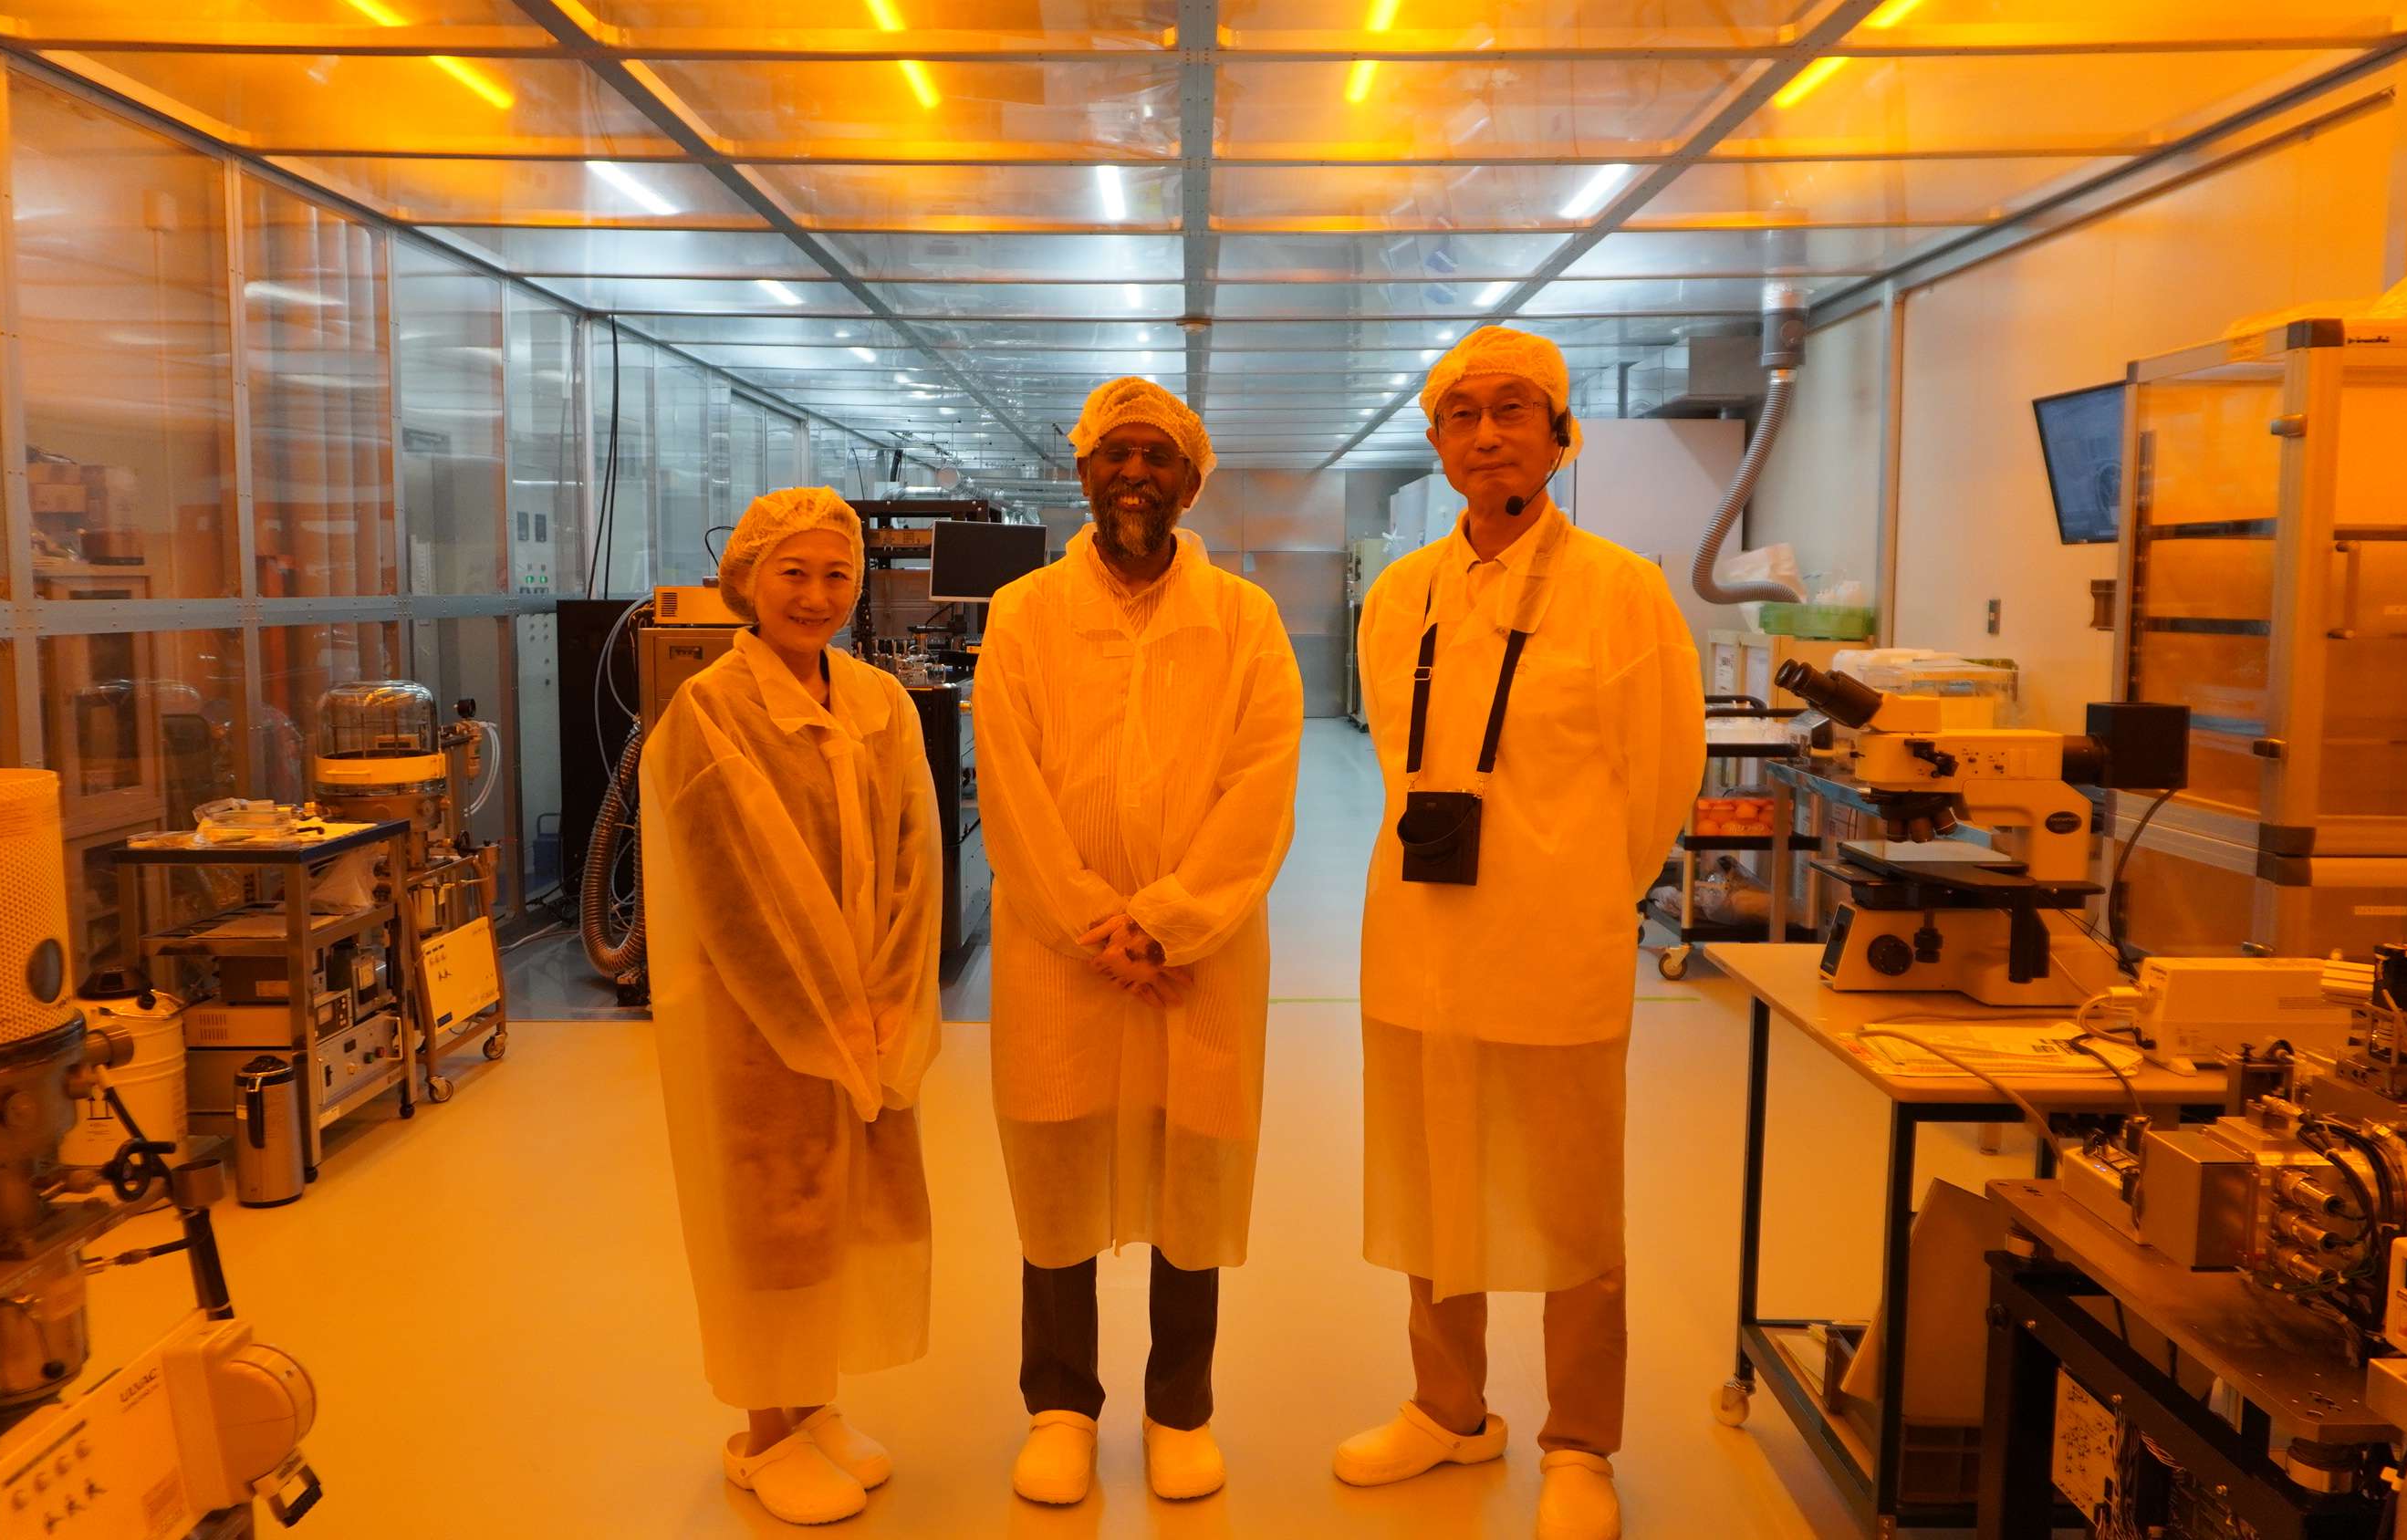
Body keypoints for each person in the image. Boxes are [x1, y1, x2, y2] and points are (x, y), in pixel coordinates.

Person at [1334, 328, 1707, 1540]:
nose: (1487, 433)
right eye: (1462, 413)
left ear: (1558, 434)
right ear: (1437, 440)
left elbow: (1661, 780)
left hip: (1556, 942)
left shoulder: (1618, 589)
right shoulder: (1402, 594)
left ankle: (1579, 1440)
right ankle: (1448, 1408)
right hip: (1420, 935)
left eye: (1512, 410)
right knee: (1432, 1175)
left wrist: (1576, 891)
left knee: (1569, 1196)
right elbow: (1401, 762)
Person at [973, 377, 1304, 1506]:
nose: (1134, 473)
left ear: (1190, 481)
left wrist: (1165, 923)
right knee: (1056, 1158)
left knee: (1190, 1168)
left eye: (1158, 456)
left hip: (1198, 951)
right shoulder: (1023, 612)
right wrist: (1089, 921)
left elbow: (1262, 785)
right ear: (1082, 471)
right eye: (1115, 452)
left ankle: (1179, 1405)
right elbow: (1009, 785)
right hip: (1054, 947)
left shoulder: (1244, 619)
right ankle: (1060, 1402)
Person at [639, 487, 943, 1527]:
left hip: (869, 1009)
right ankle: (764, 1432)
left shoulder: (879, 702)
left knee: (840, 1211)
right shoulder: (709, 712)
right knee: (772, 1217)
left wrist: (890, 1000)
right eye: (793, 573)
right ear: (747, 580)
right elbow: (737, 897)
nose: (815, 595)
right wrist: (824, 1020)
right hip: (760, 1021)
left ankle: (813, 1405)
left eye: (836, 575)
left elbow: (916, 858)